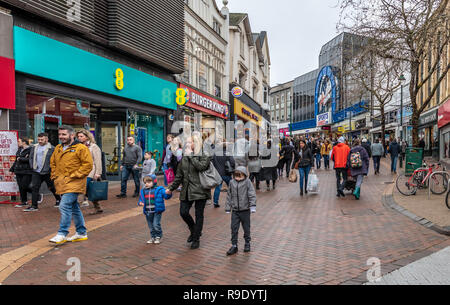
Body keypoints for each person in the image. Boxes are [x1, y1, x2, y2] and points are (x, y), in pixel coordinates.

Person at [49, 125, 93, 245]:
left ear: (72, 135)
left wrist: (75, 175)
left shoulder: (81, 148)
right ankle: (81, 232)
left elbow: (88, 165)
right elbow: (53, 163)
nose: (61, 137)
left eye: (64, 134)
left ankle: (62, 233)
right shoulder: (58, 148)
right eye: (60, 134)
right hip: (62, 182)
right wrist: (54, 176)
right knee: (74, 207)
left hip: (75, 182)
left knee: (64, 205)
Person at [166, 133, 211, 250]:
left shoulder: (204, 154)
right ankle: (194, 229)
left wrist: (191, 156)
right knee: (183, 212)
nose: (187, 144)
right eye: (187, 142)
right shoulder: (184, 157)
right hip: (186, 190)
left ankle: (196, 239)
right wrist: (171, 188)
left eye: (190, 142)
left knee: (199, 214)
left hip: (200, 189)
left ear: (196, 143)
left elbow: (201, 167)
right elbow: (179, 175)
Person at [225, 166, 256, 256]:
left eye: (240, 175)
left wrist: (252, 205)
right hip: (235, 210)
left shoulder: (247, 182)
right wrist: (228, 207)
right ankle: (234, 245)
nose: (238, 178)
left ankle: (247, 243)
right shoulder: (231, 182)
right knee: (234, 228)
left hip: (245, 210)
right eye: (236, 175)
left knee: (246, 228)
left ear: (244, 175)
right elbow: (229, 195)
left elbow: (251, 193)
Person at [26, 133, 61, 212]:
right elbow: (31, 157)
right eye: (39, 139)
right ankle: (34, 206)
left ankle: (58, 199)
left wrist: (52, 169)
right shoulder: (34, 147)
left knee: (51, 187)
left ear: (46, 139)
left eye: (42, 139)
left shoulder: (52, 148)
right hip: (36, 171)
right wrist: (32, 166)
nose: (40, 141)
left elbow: (56, 160)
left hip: (47, 172)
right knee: (34, 187)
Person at [138, 175, 172, 245]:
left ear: (154, 182)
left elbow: (166, 196)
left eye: (149, 182)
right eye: (145, 182)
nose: (147, 184)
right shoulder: (143, 191)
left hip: (157, 210)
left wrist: (169, 193)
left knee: (156, 224)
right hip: (148, 211)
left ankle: (158, 236)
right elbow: (141, 199)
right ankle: (152, 237)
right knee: (150, 226)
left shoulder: (159, 189)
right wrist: (140, 202)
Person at [76, 130, 104, 214]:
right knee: (90, 191)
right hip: (80, 171)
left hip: (91, 172)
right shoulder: (78, 146)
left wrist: (98, 172)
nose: (79, 138)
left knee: (81, 189)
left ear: (87, 137)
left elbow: (98, 160)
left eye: (81, 136)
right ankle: (98, 207)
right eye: (78, 136)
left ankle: (75, 208)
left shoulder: (93, 146)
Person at [10, 137, 33, 208]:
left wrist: (21, 158)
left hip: (27, 171)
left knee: (24, 186)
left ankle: (35, 193)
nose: (18, 143)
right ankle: (24, 202)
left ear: (24, 142)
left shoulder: (31, 149)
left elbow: (30, 159)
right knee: (21, 187)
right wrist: (12, 168)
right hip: (18, 170)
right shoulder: (19, 150)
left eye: (19, 141)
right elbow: (16, 160)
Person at [212, 140, 235, 208]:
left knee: (218, 188)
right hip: (226, 173)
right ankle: (233, 200)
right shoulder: (228, 153)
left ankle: (215, 202)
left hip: (218, 173)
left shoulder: (215, 153)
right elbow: (232, 162)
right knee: (231, 187)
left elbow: (212, 163)